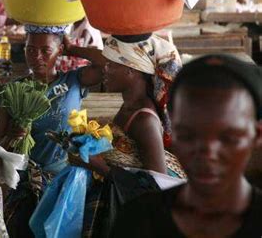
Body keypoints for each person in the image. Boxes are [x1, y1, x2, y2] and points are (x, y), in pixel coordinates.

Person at [111, 54, 262, 237]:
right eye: (188, 136)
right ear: (172, 131)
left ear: (257, 135)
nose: (207, 153)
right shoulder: (137, 221)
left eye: (228, 138)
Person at [64, 34, 186, 237]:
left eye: (112, 65)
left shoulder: (144, 120)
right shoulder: (129, 106)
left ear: (132, 70)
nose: (105, 69)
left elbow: (157, 185)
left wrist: (93, 163)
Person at [0, 24, 105, 238]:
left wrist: (73, 48)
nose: (37, 57)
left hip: (64, 179)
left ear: (59, 51)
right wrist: (11, 135)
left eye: (46, 50)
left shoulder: (73, 81)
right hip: (24, 182)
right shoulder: (13, 90)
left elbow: (106, 63)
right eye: (30, 50)